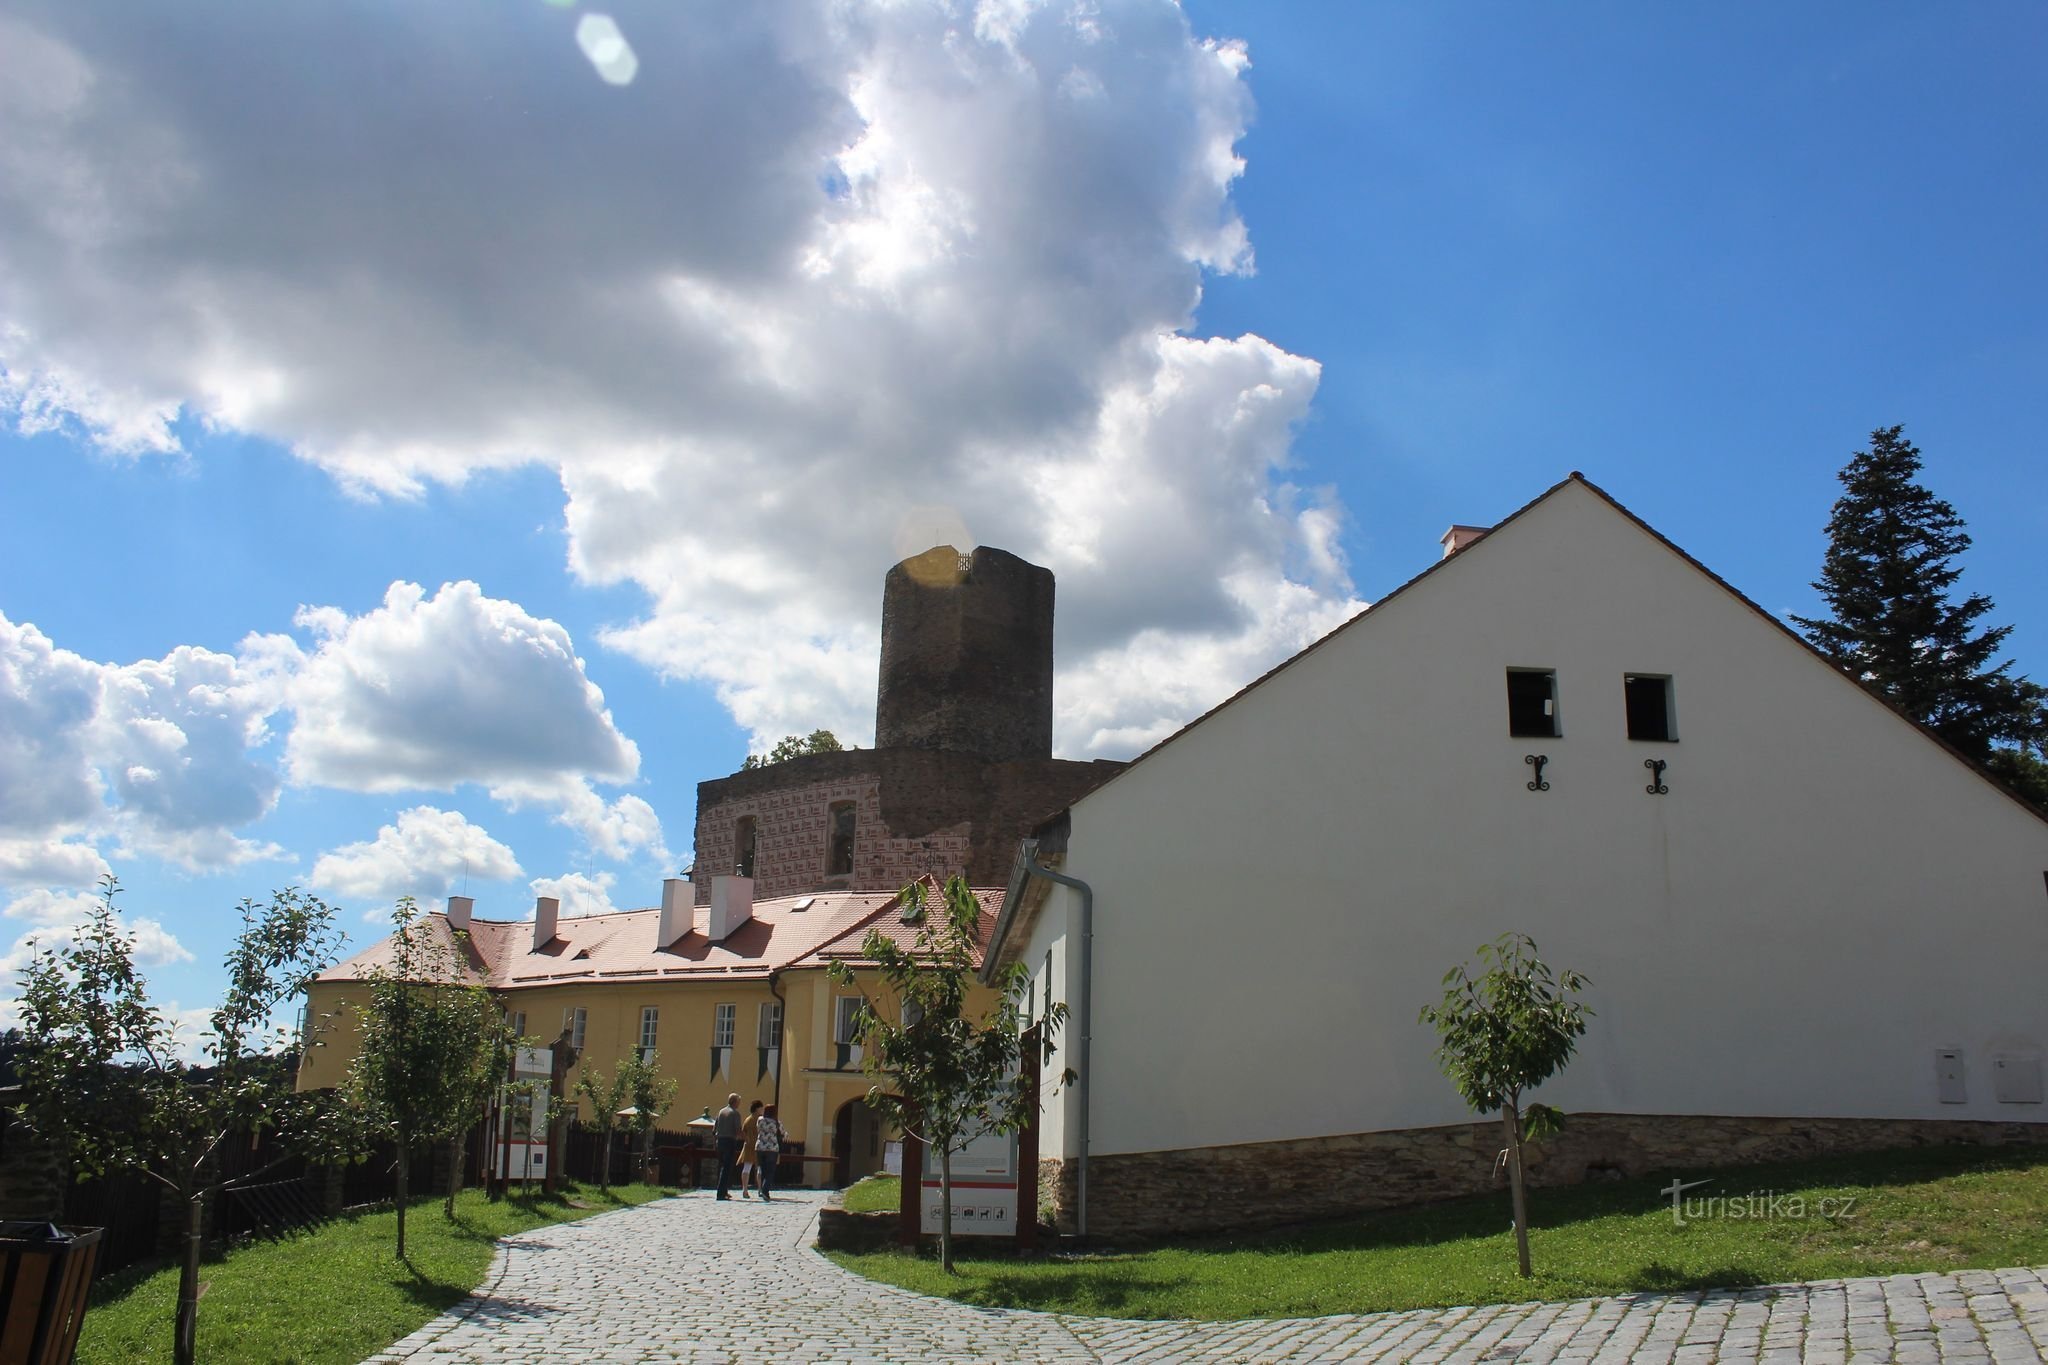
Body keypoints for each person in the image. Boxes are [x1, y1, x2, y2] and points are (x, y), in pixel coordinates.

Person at [712, 1093, 743, 1199]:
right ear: (735, 1101)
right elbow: (738, 1129)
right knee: (727, 1168)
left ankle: (723, 1191)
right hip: (729, 1141)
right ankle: (721, 1193)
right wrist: (745, 1138)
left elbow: (714, 1128)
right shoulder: (735, 1113)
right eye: (739, 1101)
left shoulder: (721, 1111)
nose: (739, 1104)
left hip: (720, 1141)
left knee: (722, 1166)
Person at [754, 1103, 784, 1202]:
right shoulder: (776, 1122)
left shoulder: (760, 1120)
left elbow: (757, 1129)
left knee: (762, 1169)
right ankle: (765, 1190)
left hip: (760, 1147)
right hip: (772, 1148)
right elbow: (783, 1133)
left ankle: (762, 1189)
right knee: (770, 1171)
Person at [737, 1099, 763, 1197]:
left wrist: (747, 1139)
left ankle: (745, 1189)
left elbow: (742, 1131)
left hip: (748, 1146)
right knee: (759, 1169)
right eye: (761, 1108)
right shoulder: (760, 1119)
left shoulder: (748, 1119)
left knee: (747, 1168)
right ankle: (760, 1189)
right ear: (757, 1109)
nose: (762, 1110)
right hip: (758, 1146)